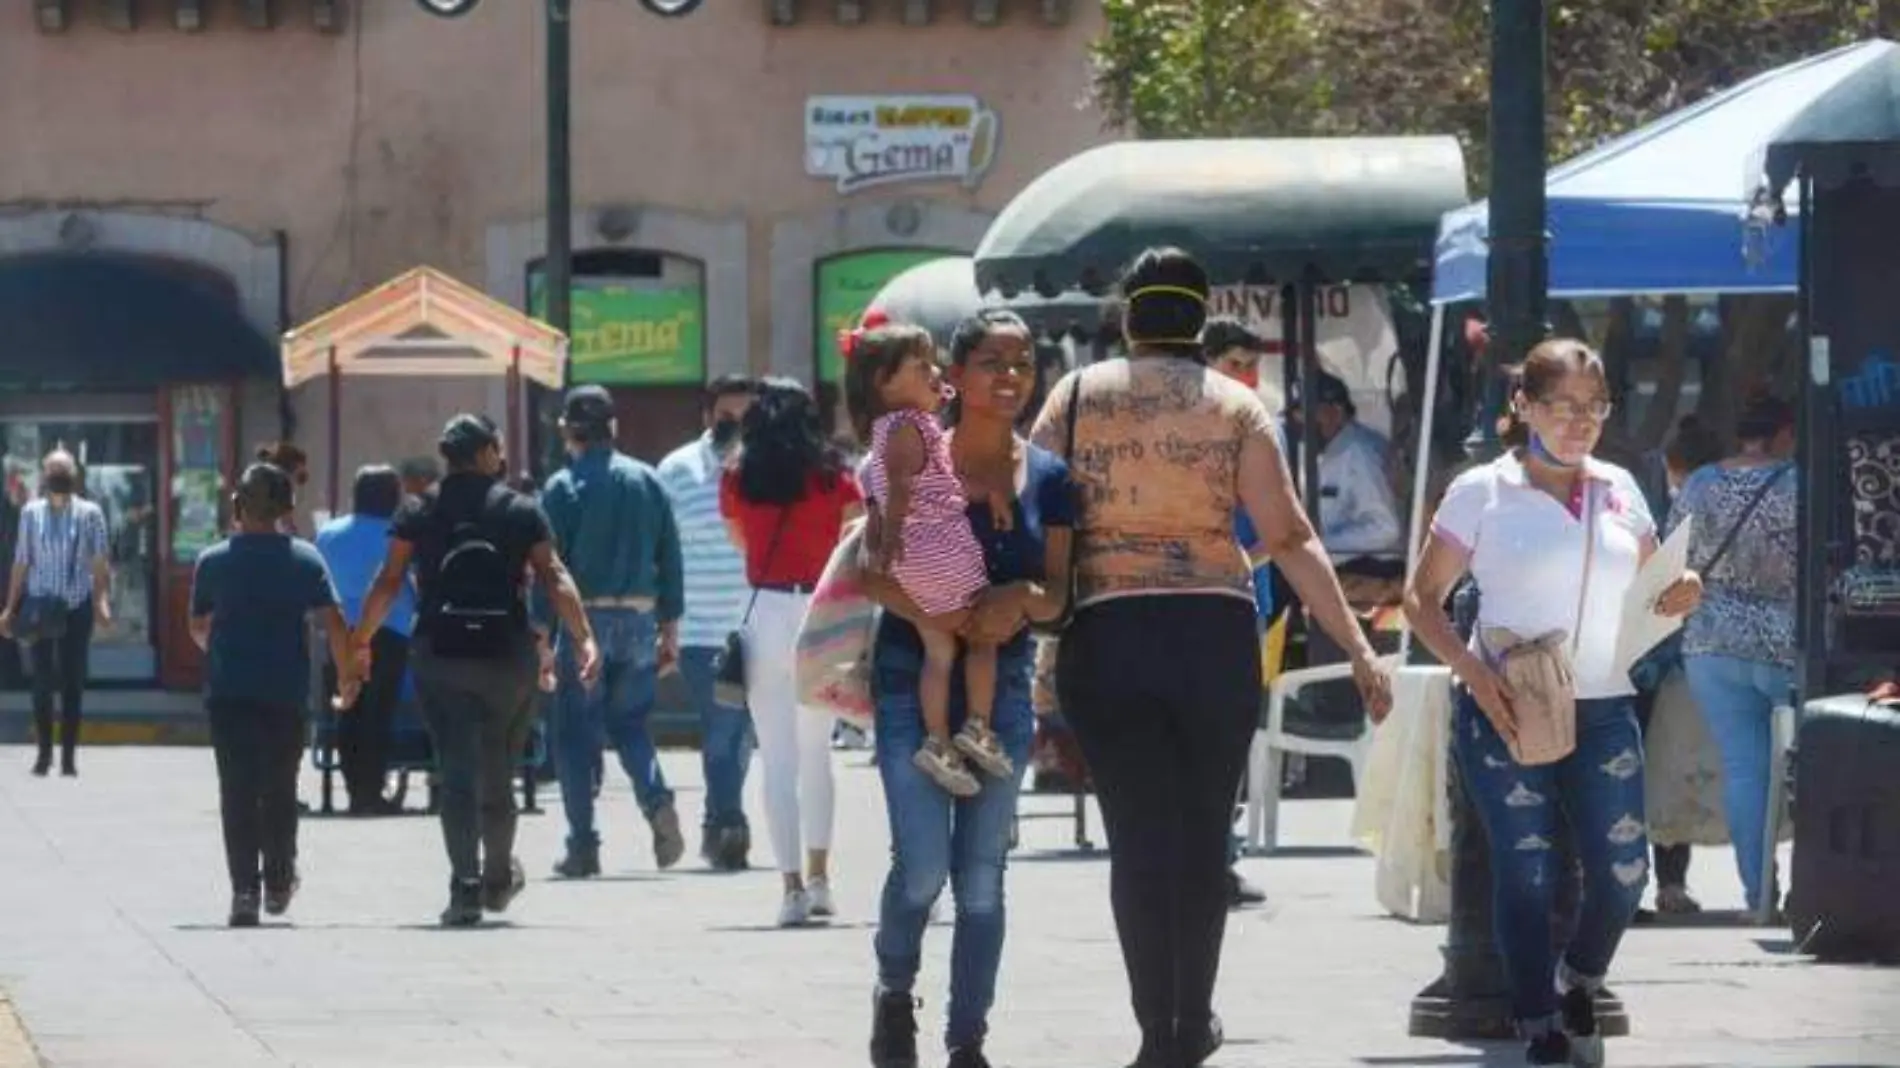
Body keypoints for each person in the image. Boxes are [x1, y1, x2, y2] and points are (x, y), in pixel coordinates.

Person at [1030, 248, 1391, 1068]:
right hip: (1210, 637)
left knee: (1137, 841)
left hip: (1106, 634)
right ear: (1200, 321)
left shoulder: (1075, 397)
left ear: (1128, 318)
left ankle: (1154, 1028)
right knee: (1199, 841)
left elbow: (1031, 506)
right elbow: (1290, 536)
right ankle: (1191, 1021)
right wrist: (1361, 648)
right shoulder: (1236, 406)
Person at [1404, 338, 1704, 1066]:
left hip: (1603, 701)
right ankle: (1536, 1019)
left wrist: (1681, 591)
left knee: (1625, 866)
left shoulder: (1620, 487)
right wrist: (1476, 677)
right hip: (1509, 702)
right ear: (1524, 407)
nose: (1580, 421)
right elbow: (1420, 600)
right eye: (1562, 406)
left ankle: (1582, 977)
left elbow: (1651, 582)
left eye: (1594, 407)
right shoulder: (1482, 490)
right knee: (1526, 868)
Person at [858, 308, 1072, 1068]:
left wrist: (1015, 602)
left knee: (981, 881)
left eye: (1022, 361)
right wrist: (942, 618)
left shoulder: (1048, 476)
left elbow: (1058, 596)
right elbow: (869, 572)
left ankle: (966, 1039)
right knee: (920, 869)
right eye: (991, 360)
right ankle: (893, 990)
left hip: (1001, 692)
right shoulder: (914, 451)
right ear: (956, 372)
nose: (1010, 375)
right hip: (908, 678)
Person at [355, 414, 602, 926]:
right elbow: (554, 575)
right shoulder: (518, 509)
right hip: (506, 655)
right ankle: (496, 875)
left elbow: (389, 580)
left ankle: (464, 887)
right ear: (488, 451)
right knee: (499, 770)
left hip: (439, 652)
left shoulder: (419, 509)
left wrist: (359, 641)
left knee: (455, 770)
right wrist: (583, 639)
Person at [845, 322, 1016, 797]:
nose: (934, 373)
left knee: (940, 653)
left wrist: (884, 546)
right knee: (983, 635)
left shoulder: (886, 432)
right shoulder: (910, 427)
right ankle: (977, 726)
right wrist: (893, 538)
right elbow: (901, 491)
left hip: (912, 563)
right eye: (921, 367)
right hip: (937, 550)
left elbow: (894, 493)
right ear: (884, 382)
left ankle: (937, 740)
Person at [188, 462, 358, 927]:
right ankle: (279, 881)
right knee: (281, 788)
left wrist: (222, 650)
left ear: (237, 505)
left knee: (237, 790)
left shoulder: (213, 561)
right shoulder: (305, 559)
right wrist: (347, 675)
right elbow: (335, 622)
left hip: (229, 693)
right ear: (288, 508)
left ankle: (245, 892)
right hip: (285, 693)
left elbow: (198, 626)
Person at [719, 378, 862, 927]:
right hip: (820, 614)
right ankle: (822, 878)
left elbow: (740, 541)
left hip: (765, 611)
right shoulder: (834, 475)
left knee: (775, 760)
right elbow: (851, 537)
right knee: (817, 755)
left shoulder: (737, 474)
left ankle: (790, 889)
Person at [539, 386, 688, 877]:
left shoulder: (562, 488)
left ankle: (583, 845)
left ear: (569, 430)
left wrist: (541, 633)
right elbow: (670, 557)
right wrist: (670, 626)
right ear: (613, 429)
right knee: (631, 725)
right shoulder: (648, 481)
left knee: (575, 735)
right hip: (640, 619)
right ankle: (656, 798)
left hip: (585, 623)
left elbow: (548, 568)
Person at [1669, 393, 1799, 918]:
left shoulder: (1700, 483)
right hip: (1786, 641)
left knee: (1745, 772)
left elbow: (1671, 558)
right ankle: (1816, 889)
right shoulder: (1800, 483)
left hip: (1711, 643)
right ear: (1785, 433)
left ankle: (1758, 897)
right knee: (1809, 770)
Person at [657, 375, 759, 870]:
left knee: (741, 734)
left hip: (759, 625)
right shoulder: (676, 470)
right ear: (708, 417)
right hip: (698, 629)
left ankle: (716, 818)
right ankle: (731, 824)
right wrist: (663, 622)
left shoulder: (768, 470)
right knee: (723, 727)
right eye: (726, 417)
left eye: (746, 418)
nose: (735, 426)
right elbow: (658, 549)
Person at [1203, 315, 1278, 909]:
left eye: (1252, 364)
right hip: (1212, 596)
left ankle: (1222, 856)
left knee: (1237, 731)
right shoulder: (1203, 433)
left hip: (1256, 600)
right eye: (1235, 363)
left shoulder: (1257, 425)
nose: (1248, 376)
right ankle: (1208, 859)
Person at [1, 448, 111, 778]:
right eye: (53, 470)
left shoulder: (90, 513)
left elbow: (99, 561)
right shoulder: (31, 513)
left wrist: (101, 600)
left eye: (64, 470)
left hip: (76, 606)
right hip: (40, 605)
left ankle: (69, 757)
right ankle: (44, 754)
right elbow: (22, 561)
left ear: (74, 476)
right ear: (45, 475)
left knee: (73, 681)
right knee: (42, 682)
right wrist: (9, 607)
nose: (58, 476)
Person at [315, 464, 416, 816]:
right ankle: (371, 791)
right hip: (389, 629)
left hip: (341, 630)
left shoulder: (328, 534)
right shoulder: (399, 533)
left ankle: (355, 787)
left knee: (348, 709)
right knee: (379, 711)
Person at [1290, 371, 1405, 560]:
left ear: (1337, 411)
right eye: (1298, 414)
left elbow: (1385, 528)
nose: (1301, 420)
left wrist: (1320, 548)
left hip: (1371, 572)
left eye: (1310, 413)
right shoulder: (1326, 450)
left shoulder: (1361, 452)